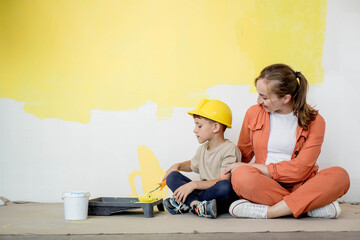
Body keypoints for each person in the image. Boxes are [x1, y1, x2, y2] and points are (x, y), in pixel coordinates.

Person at [225, 63, 350, 219]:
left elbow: (301, 169)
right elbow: (242, 156)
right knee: (241, 175)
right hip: (266, 185)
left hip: (302, 185)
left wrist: (261, 168)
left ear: (285, 98)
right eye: (258, 94)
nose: (258, 101)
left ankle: (270, 212)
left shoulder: (315, 121)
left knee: (340, 176)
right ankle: (308, 207)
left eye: (264, 97)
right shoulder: (253, 113)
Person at [162, 99, 241, 219]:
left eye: (199, 125)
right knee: (172, 176)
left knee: (225, 186)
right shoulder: (203, 148)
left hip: (217, 194)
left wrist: (193, 185)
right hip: (203, 193)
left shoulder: (229, 150)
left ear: (215, 127)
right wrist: (177, 165)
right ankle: (196, 205)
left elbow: (223, 180)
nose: (195, 130)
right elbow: (192, 165)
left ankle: (187, 203)